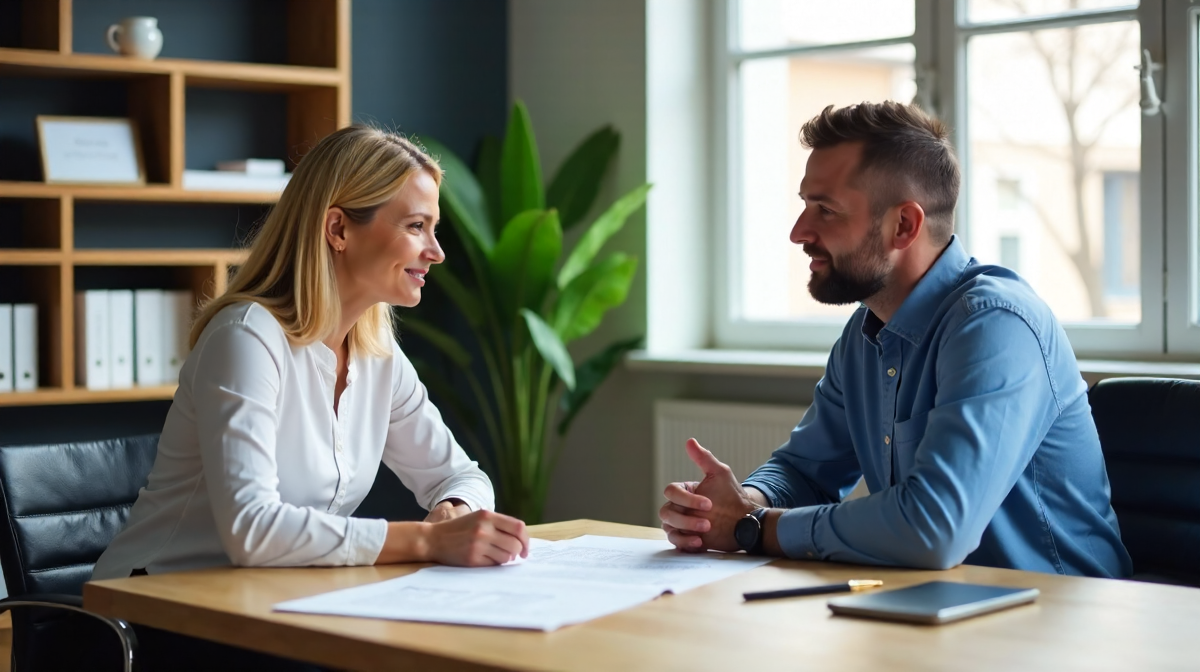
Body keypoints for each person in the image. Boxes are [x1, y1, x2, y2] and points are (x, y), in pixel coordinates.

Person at [92, 126, 529, 669]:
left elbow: (463, 475)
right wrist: (425, 542)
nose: (435, 253)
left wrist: (452, 511)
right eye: (417, 226)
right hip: (156, 617)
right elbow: (253, 530)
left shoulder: (376, 352)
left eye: (433, 229)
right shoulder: (247, 336)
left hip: (271, 606)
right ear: (338, 228)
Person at [659, 102, 1131, 578]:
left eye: (825, 210)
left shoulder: (995, 325)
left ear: (904, 225)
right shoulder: (867, 331)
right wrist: (737, 505)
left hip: (1062, 622)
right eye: (804, 205)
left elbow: (934, 529)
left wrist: (754, 528)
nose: (799, 232)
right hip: (941, 608)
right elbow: (806, 471)